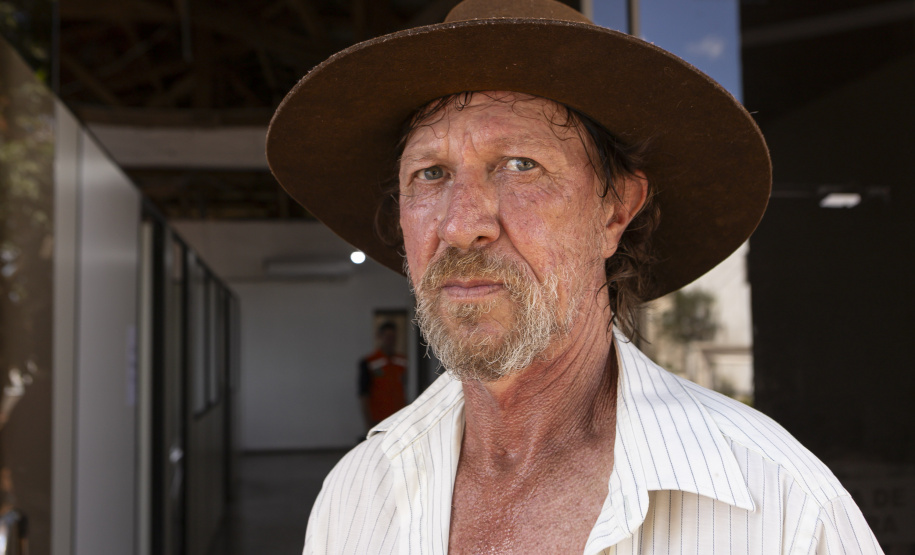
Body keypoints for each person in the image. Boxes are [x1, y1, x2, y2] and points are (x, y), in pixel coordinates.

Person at [266, 0, 881, 552]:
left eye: (518, 164)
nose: (460, 225)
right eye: (430, 173)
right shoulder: (359, 493)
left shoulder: (778, 508)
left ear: (614, 211)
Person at [358, 321, 408, 432]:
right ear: (380, 337)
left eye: (393, 337)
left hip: (399, 417)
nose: (391, 340)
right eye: (388, 337)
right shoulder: (369, 362)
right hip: (379, 419)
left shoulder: (403, 361)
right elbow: (363, 395)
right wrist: (368, 423)